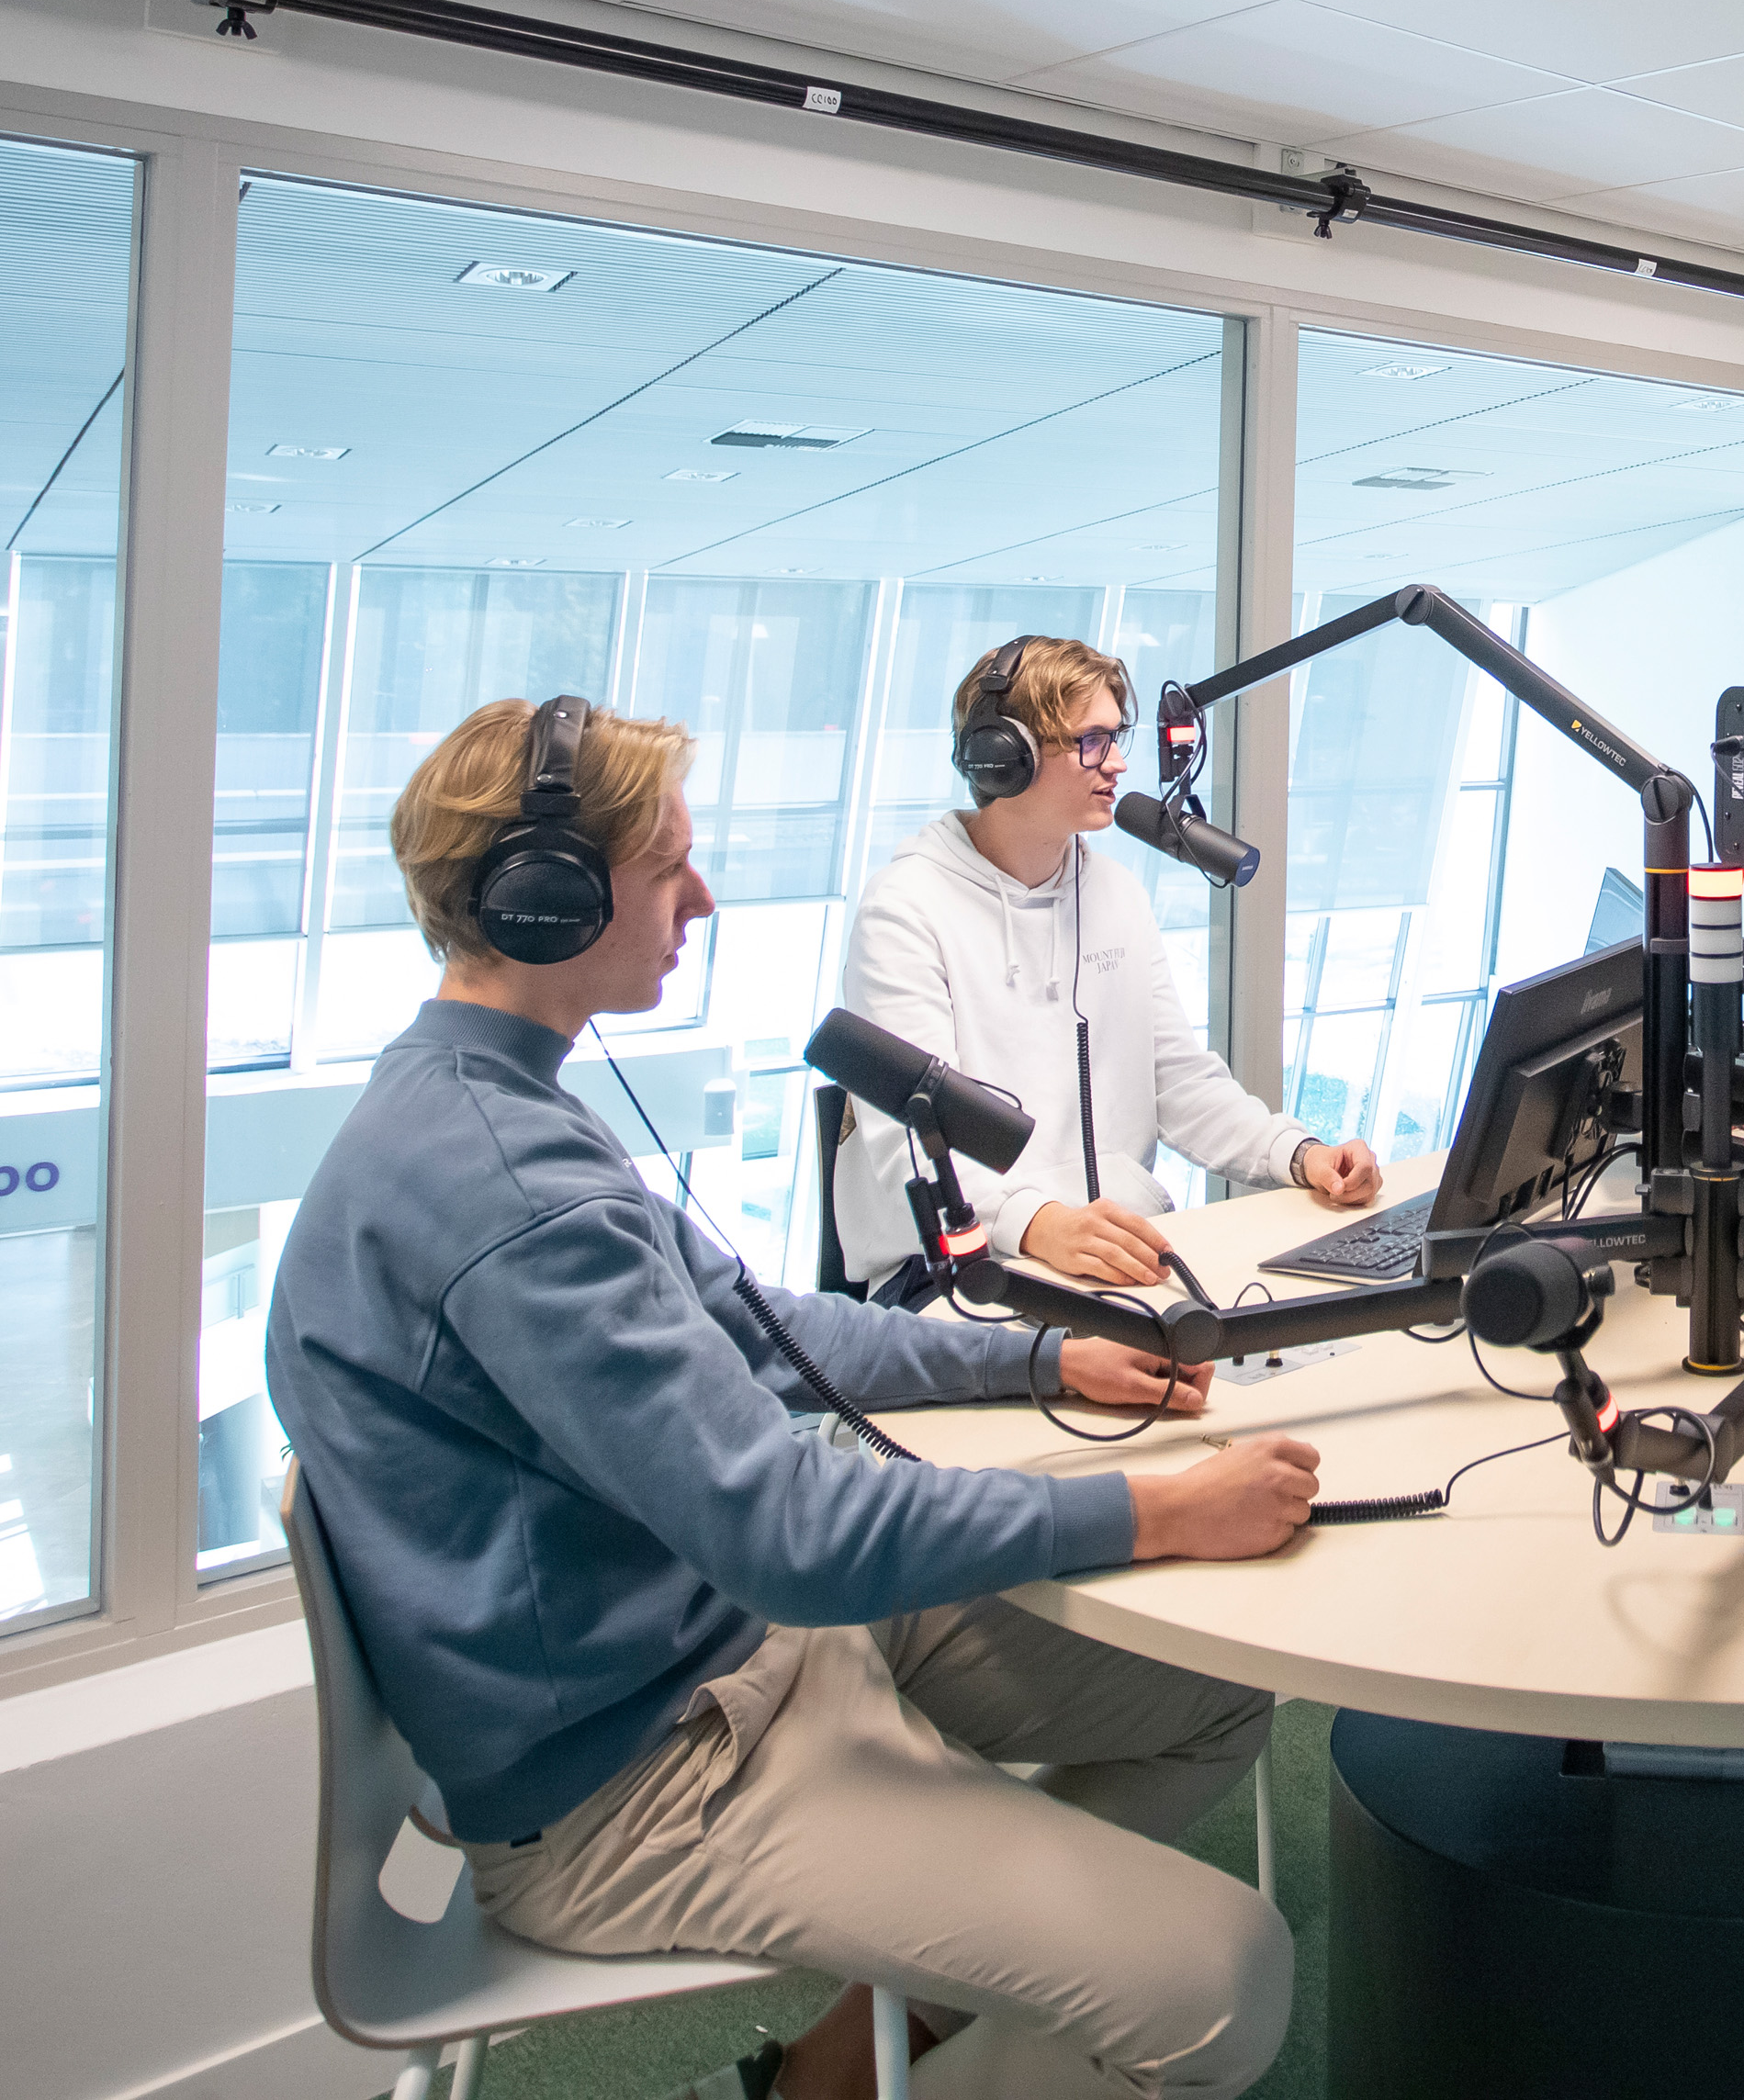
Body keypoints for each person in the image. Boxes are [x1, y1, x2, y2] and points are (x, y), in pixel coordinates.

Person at [269, 695, 1320, 2100]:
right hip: (639, 1786)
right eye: (666, 869)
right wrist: (1153, 1511)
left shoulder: (493, 1099)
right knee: (1221, 1980)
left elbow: (762, 1331)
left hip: (736, 1660)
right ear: (546, 900)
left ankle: (827, 2077)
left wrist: (1037, 1356)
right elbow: (789, 1533)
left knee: (1215, 1694)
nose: (698, 898)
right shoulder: (505, 1190)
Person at [836, 636, 1378, 1293]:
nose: (1118, 762)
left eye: (1117, 736)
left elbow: (1178, 1082)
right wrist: (1042, 1225)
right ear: (1006, 757)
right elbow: (915, 1146)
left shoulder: (1114, 893)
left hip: (1102, 1255)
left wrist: (1299, 1153)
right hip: (955, 1270)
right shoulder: (905, 910)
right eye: (1092, 741)